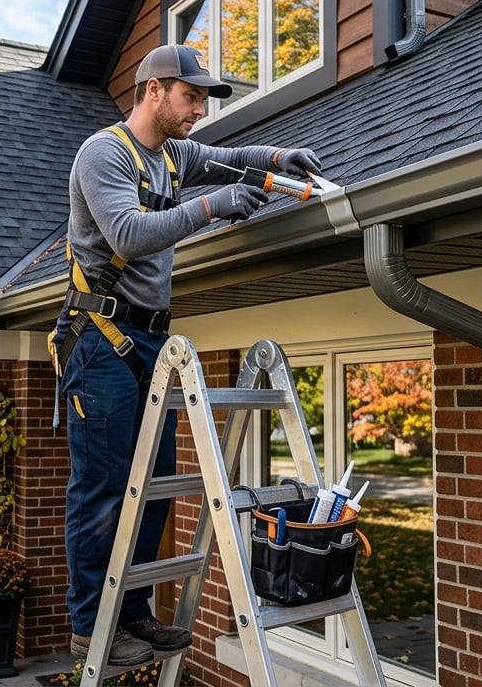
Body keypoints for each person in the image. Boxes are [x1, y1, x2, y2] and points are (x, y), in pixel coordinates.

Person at [51, 43, 322, 667]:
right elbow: (129, 233)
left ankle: (135, 613)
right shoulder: (104, 154)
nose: (200, 108)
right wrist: (212, 206)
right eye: (192, 96)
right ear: (154, 91)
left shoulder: (175, 153)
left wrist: (281, 158)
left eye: (203, 99)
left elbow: (232, 160)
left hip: (150, 341)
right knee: (104, 488)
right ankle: (90, 626)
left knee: (152, 485)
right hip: (102, 340)